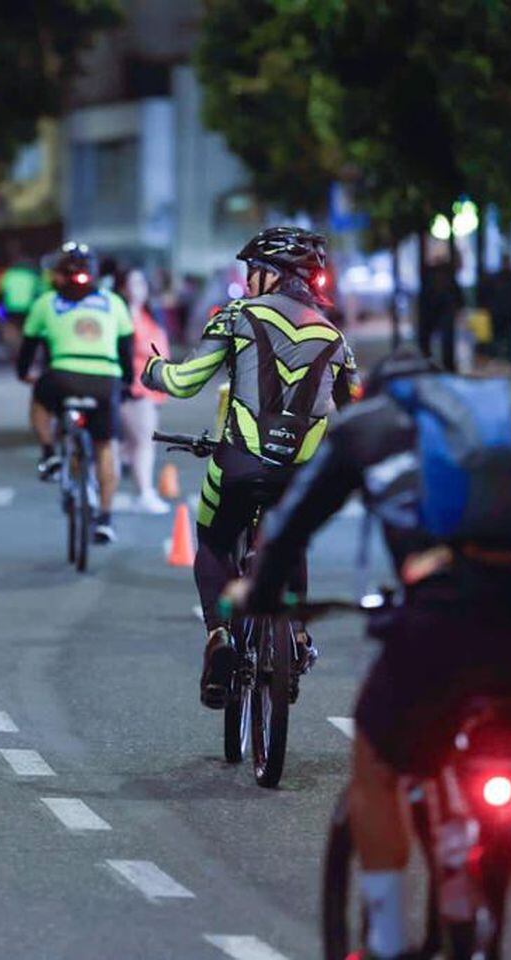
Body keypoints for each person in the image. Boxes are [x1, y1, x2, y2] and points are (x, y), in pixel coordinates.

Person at [240, 347, 511, 960]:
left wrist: (260, 593)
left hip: (446, 618)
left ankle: (383, 940)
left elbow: (289, 524)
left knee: (378, 767)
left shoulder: (365, 426)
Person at [141, 226, 359, 707]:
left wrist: (152, 369)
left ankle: (219, 635)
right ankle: (297, 635)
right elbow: (357, 412)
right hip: (301, 474)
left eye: (252, 271)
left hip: (238, 463)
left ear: (271, 275)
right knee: (290, 536)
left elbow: (183, 382)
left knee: (216, 539)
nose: (246, 281)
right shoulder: (335, 337)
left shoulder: (237, 316)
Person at [18, 241, 134, 544]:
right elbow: (126, 349)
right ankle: (106, 518)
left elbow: (28, 347)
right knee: (106, 447)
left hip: (62, 377)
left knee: (40, 399)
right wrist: (126, 385)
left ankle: (48, 453)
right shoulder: (113, 302)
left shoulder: (47, 302)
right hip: (106, 379)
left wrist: (23, 374)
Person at [118, 268, 171, 515]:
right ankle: (144, 492)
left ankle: (137, 490)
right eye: (133, 282)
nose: (139, 287)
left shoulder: (149, 313)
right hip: (134, 388)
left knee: (133, 444)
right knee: (142, 443)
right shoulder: (124, 314)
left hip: (151, 388)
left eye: (142, 281)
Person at [418, 251, 463, 371]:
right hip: (442, 309)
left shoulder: (430, 274)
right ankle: (446, 364)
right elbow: (455, 292)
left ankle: (429, 361)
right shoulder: (446, 274)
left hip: (434, 309)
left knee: (429, 338)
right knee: (446, 340)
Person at [478, 253, 511, 361]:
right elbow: (484, 293)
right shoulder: (496, 278)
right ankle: (497, 357)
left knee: (509, 337)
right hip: (498, 313)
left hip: (509, 313)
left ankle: (507, 357)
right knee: (497, 337)